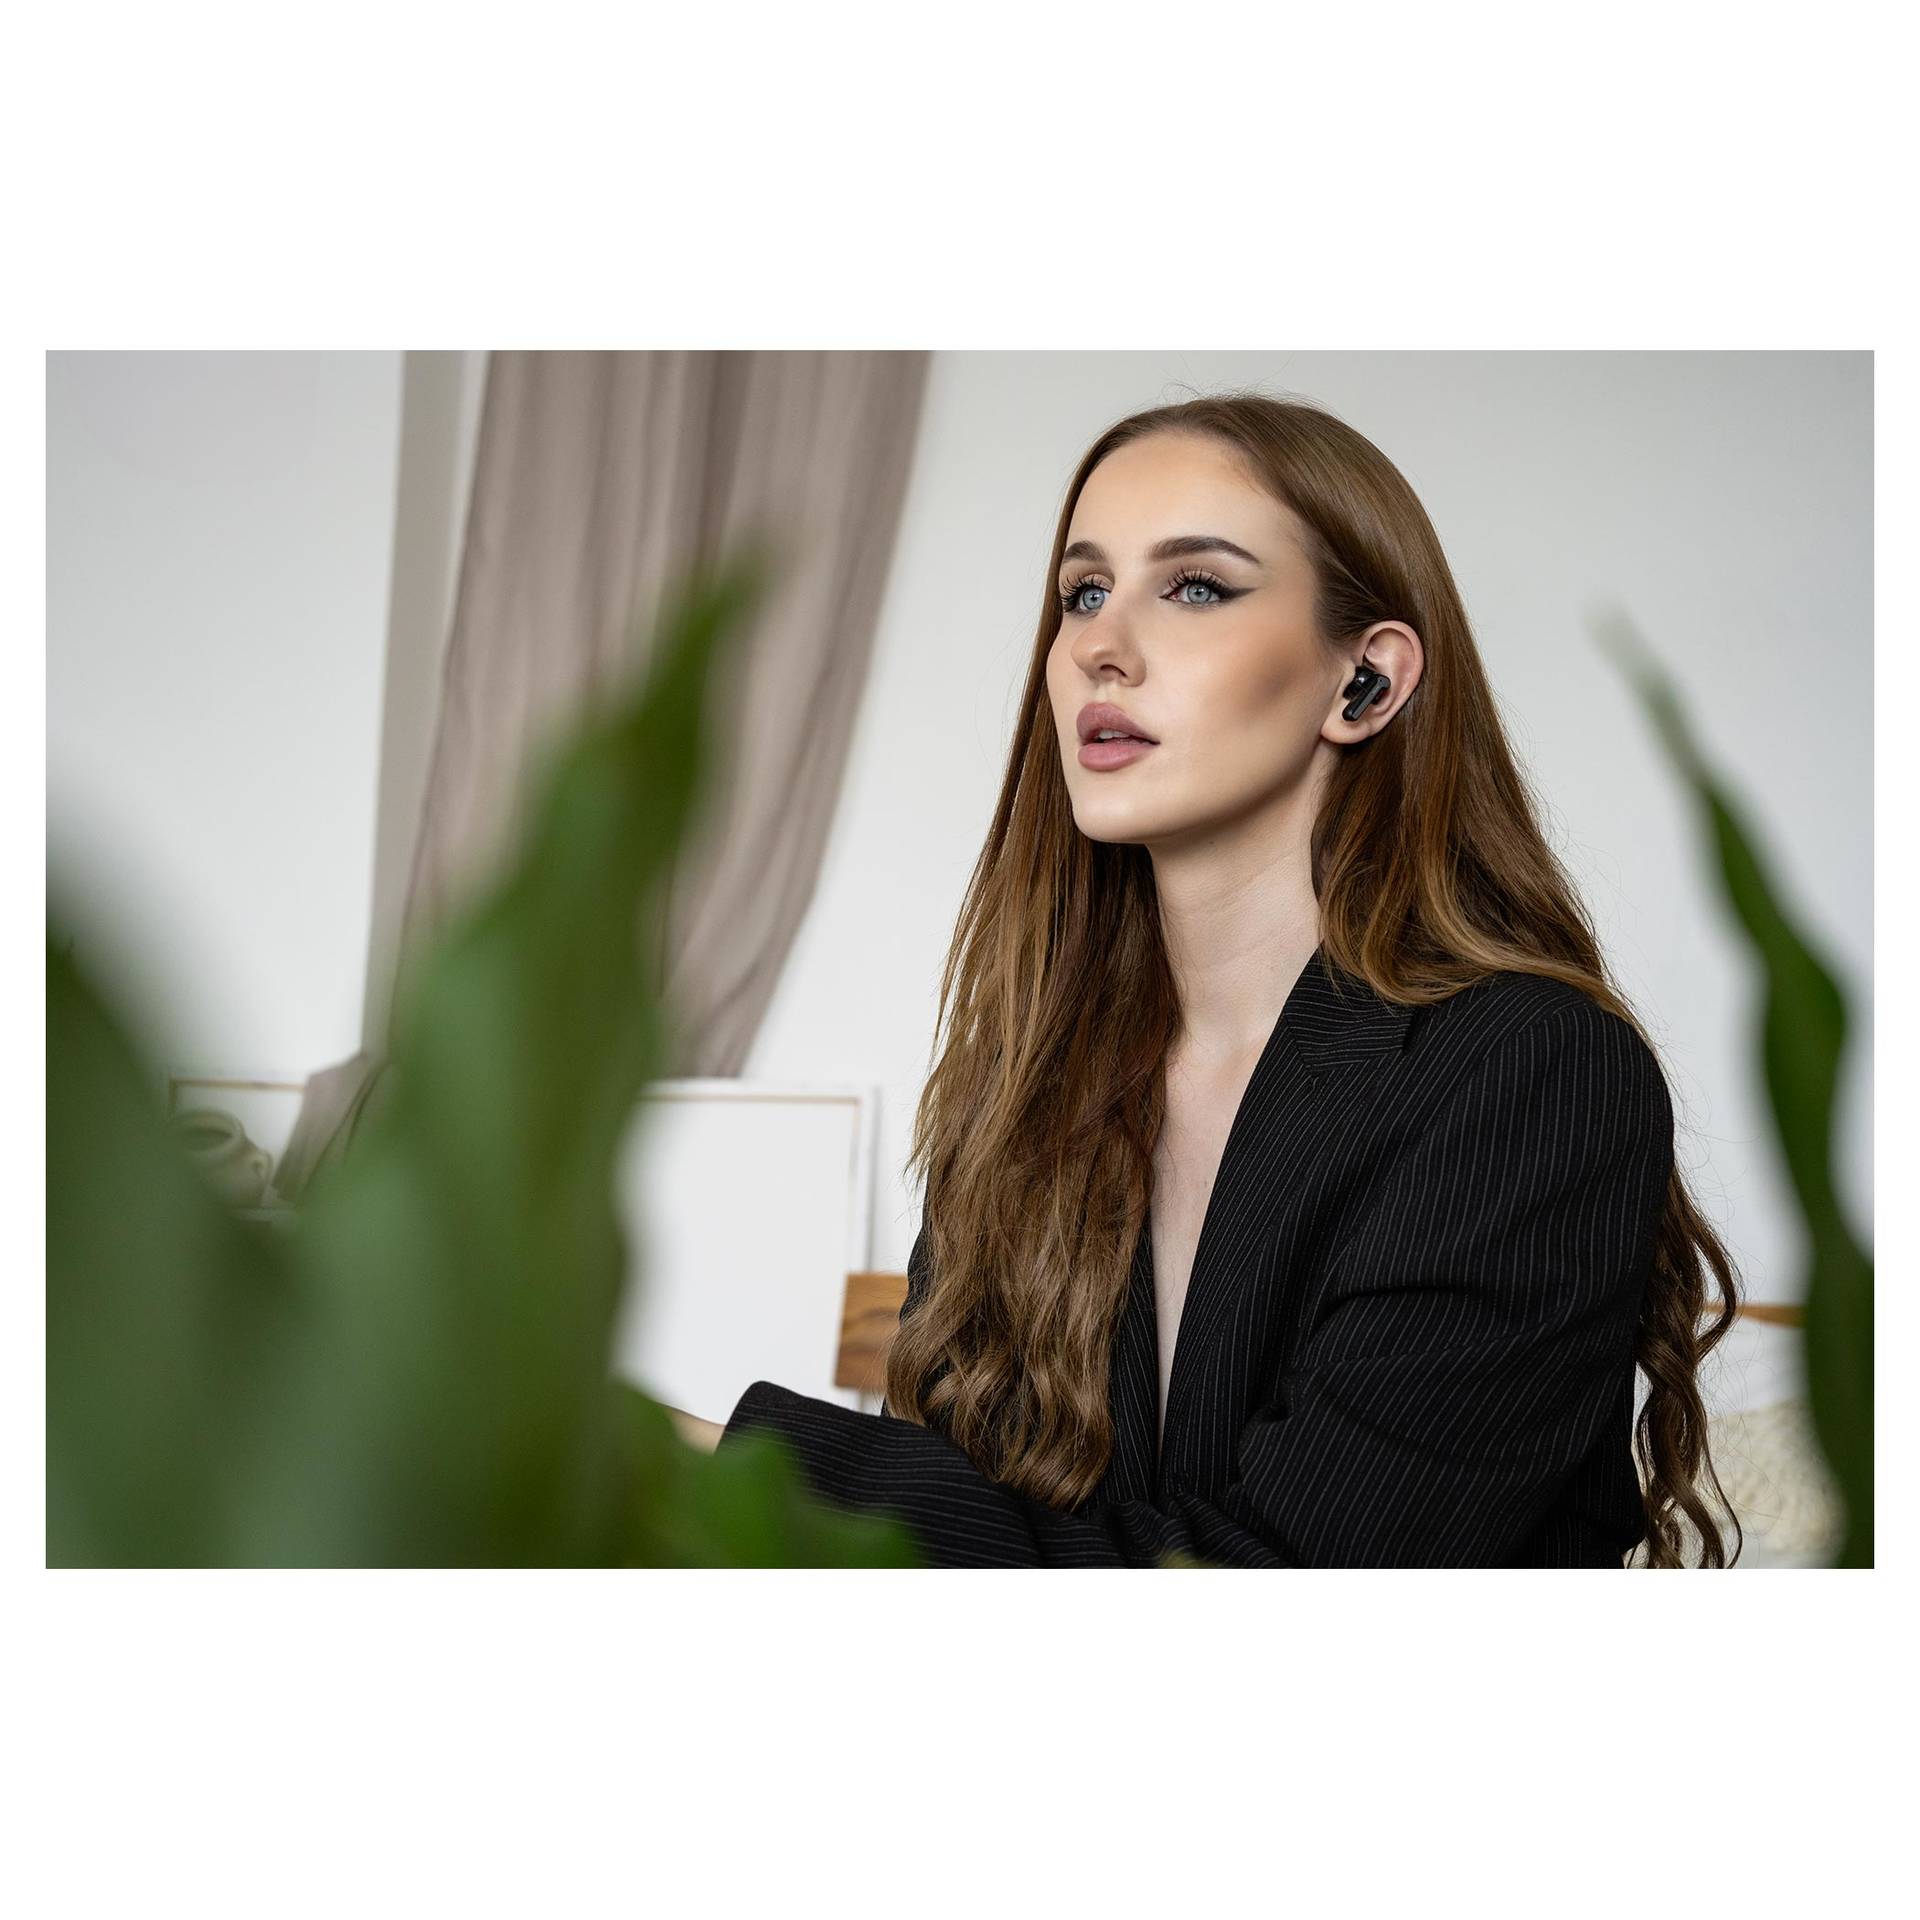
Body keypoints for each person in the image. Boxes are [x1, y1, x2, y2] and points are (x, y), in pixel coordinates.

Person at [670, 391, 1743, 1568]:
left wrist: (714, 1461)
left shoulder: (1530, 1073)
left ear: (1366, 683)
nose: (1099, 645)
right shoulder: (1029, 1083)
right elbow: (960, 1540)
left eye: (1194, 587)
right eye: (1084, 592)